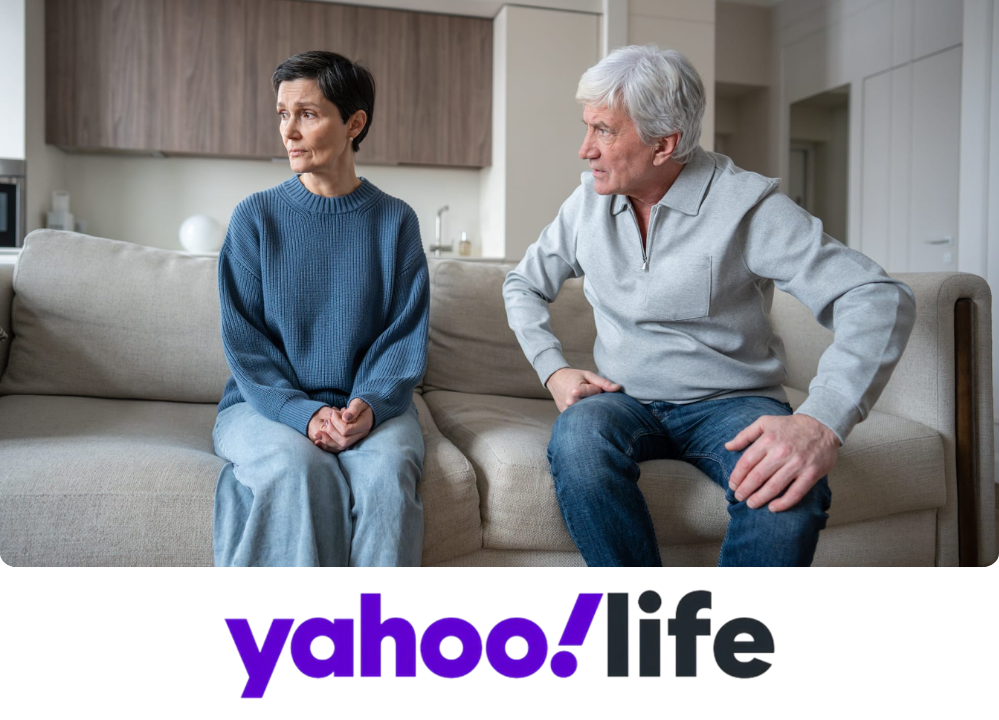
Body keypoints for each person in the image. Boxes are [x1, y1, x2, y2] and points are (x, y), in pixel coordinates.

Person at [502, 45, 916, 567]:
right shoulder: (586, 203)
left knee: (790, 496)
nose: (585, 150)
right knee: (579, 441)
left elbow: (876, 297)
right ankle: (643, 621)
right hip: (623, 399)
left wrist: (820, 422)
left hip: (733, 403)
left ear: (664, 144)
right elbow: (522, 284)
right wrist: (553, 370)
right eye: (587, 127)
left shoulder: (747, 206)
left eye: (604, 130)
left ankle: (727, 638)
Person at [212, 51, 429, 567]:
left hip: (367, 406)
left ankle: (375, 640)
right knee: (297, 469)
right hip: (263, 404)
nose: (289, 131)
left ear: (355, 123)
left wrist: (370, 405)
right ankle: (290, 638)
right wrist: (305, 415)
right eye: (283, 114)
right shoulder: (255, 218)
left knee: (387, 475)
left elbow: (402, 339)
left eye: (307, 114)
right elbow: (246, 345)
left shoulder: (396, 222)